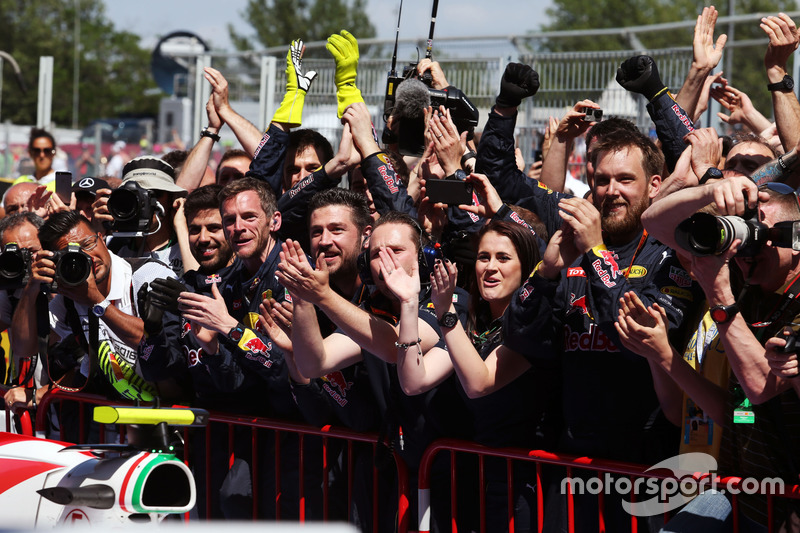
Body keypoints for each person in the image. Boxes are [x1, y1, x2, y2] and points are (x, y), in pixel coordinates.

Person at [640, 175, 800, 530]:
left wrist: (720, 296)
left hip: (786, 500)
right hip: (737, 488)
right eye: (746, 234)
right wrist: (711, 192)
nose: (749, 250)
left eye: (763, 235)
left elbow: (760, 386)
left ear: (796, 238)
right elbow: (654, 222)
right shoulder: (749, 280)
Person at [380, 219, 559, 532]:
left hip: (528, 487)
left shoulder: (532, 328)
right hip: (482, 483)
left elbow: (479, 383)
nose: (490, 267)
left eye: (503, 258)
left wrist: (446, 313)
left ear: (526, 267)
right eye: (483, 257)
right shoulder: (478, 326)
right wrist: (410, 304)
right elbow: (413, 381)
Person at [96, 156, 189, 276]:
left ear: (172, 198)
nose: (145, 202)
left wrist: (181, 228)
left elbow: (196, 284)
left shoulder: (186, 245)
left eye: (153, 194)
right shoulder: (113, 246)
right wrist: (95, 232)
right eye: (136, 195)